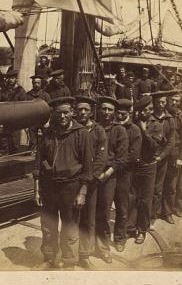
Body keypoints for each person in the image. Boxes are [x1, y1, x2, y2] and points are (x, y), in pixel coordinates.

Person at [34, 96, 93, 269]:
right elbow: (38, 162)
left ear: (72, 113)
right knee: (48, 225)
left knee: (70, 227)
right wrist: (36, 189)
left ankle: (69, 261)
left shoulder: (81, 133)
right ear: (54, 114)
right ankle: (50, 256)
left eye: (66, 112)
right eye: (59, 113)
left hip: (71, 187)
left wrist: (82, 192)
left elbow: (88, 168)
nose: (62, 116)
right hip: (49, 186)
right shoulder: (48, 133)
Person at [75, 96, 107, 270]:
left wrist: (89, 180)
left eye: (86, 109)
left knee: (88, 218)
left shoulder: (98, 131)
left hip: (91, 182)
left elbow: (102, 159)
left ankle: (85, 254)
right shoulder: (71, 129)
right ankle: (70, 253)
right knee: (71, 218)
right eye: (79, 109)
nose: (83, 112)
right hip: (72, 182)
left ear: (91, 111)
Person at [95, 96, 128, 263]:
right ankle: (84, 246)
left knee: (103, 212)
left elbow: (121, 159)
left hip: (109, 176)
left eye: (110, 110)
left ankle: (103, 247)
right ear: (99, 110)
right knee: (86, 211)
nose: (106, 112)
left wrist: (105, 174)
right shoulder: (93, 127)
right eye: (104, 109)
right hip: (91, 175)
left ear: (114, 112)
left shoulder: (119, 130)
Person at [129, 96, 162, 244]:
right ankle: (130, 227)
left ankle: (142, 230)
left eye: (149, 109)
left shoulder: (156, 125)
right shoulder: (134, 123)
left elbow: (154, 146)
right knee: (132, 197)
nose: (146, 112)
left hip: (149, 166)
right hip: (135, 166)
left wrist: (144, 130)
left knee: (145, 200)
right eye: (143, 109)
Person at [115, 99, 142, 250]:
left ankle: (120, 238)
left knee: (122, 206)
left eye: (123, 114)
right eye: (118, 113)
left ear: (129, 113)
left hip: (125, 173)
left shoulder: (134, 130)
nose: (119, 116)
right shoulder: (112, 127)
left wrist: (115, 165)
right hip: (110, 173)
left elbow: (133, 155)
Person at [161, 91, 182, 223]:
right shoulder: (163, 114)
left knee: (171, 184)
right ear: (168, 100)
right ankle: (154, 211)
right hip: (161, 153)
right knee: (158, 182)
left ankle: (167, 212)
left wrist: (180, 158)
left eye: (177, 101)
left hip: (174, 153)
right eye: (172, 100)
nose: (174, 103)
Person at [150, 90, 176, 227]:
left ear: (166, 103)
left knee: (157, 189)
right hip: (148, 158)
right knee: (145, 188)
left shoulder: (170, 119)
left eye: (163, 102)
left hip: (161, 159)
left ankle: (153, 215)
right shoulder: (149, 116)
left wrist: (161, 157)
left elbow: (171, 142)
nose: (161, 104)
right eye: (158, 102)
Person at [1, 69, 27, 153]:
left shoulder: (20, 91)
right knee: (5, 141)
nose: (10, 80)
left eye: (12, 78)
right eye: (9, 78)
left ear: (16, 79)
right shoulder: (5, 89)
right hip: (6, 118)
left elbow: (23, 106)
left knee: (15, 141)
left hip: (16, 119)